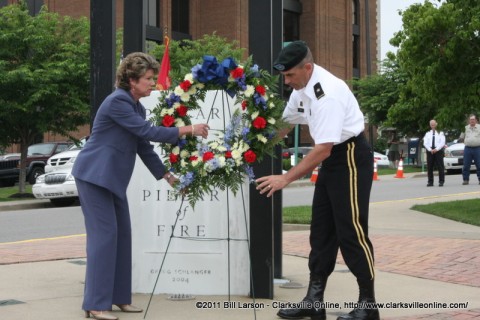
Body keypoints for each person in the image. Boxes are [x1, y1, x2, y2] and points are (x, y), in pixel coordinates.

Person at [72, 52, 209, 320]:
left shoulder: (136, 107)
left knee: (122, 236)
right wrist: (187, 129)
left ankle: (119, 298)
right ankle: (96, 304)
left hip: (111, 179)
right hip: (94, 176)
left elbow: (142, 146)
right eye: (148, 79)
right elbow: (149, 133)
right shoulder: (117, 102)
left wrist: (167, 176)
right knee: (104, 239)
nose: (152, 83)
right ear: (132, 80)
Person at [256, 41, 379, 320]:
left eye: (290, 75)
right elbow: (286, 122)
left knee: (351, 232)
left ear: (307, 67)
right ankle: (314, 300)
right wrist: (254, 143)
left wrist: (285, 178)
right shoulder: (301, 88)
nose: (286, 82)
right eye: (284, 76)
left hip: (349, 156)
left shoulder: (328, 94)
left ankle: (368, 305)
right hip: (332, 160)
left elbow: (323, 147)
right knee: (321, 232)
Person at [458, 114, 480, 185]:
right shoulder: (465, 128)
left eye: (473, 119)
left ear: (476, 120)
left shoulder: (479, 127)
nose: (472, 121)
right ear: (469, 121)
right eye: (471, 120)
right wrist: (462, 139)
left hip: (477, 148)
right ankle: (465, 179)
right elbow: (461, 138)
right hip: (468, 148)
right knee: (466, 165)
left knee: (479, 164)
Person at [423, 119, 445, 187]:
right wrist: (430, 149)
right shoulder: (427, 134)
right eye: (431, 125)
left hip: (438, 151)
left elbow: (442, 142)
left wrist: (436, 149)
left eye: (434, 124)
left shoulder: (440, 133)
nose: (433, 126)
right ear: (430, 125)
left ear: (436, 124)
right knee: (430, 167)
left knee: (440, 166)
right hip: (430, 151)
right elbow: (425, 143)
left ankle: (441, 181)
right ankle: (430, 181)